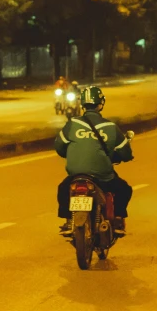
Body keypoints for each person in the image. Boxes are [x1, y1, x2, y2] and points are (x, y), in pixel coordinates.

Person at [54, 86, 134, 236]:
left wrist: (71, 154)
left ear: (83, 104)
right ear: (100, 104)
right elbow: (126, 153)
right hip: (102, 176)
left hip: (76, 174)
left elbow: (59, 147)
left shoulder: (72, 124)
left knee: (63, 188)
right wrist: (121, 157)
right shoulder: (110, 127)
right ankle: (117, 220)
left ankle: (68, 221)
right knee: (124, 189)